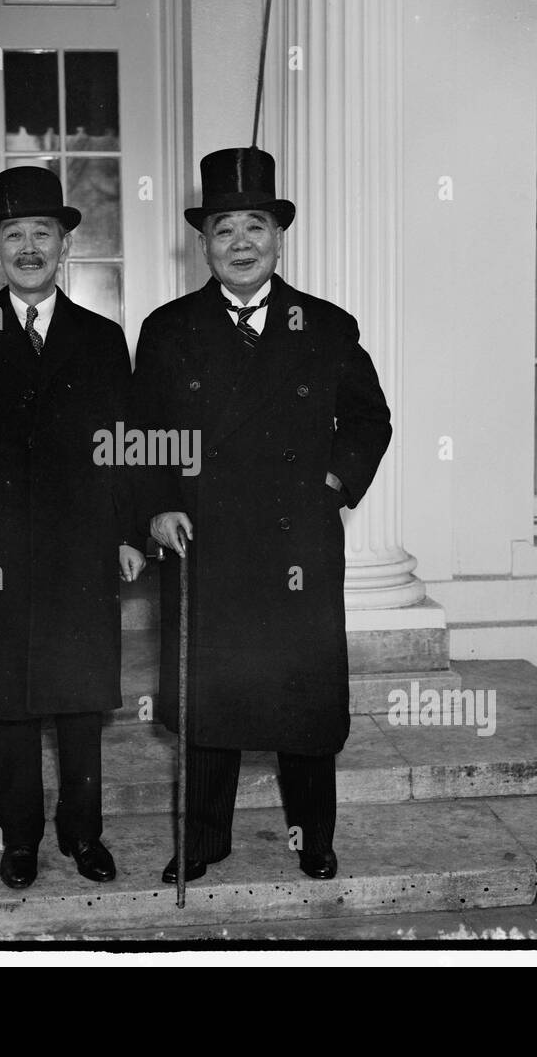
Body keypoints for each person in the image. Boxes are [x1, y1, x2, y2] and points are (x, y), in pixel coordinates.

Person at [131, 147, 392, 884]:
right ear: (202, 241)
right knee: (209, 697)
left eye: (255, 226)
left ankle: (313, 836)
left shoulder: (328, 326)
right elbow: (144, 433)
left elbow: (368, 421)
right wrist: (155, 508)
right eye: (223, 229)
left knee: (303, 696)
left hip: (296, 545)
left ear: (279, 237)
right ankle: (205, 838)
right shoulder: (167, 329)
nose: (240, 243)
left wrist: (334, 484)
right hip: (204, 541)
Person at [0, 166, 146, 890]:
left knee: (81, 696)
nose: (27, 247)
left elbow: (122, 444)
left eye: (41, 233)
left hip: (80, 548)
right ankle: (19, 841)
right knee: (8, 702)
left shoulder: (104, 340)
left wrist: (125, 533)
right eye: (12, 233)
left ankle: (83, 835)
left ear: (64, 246)